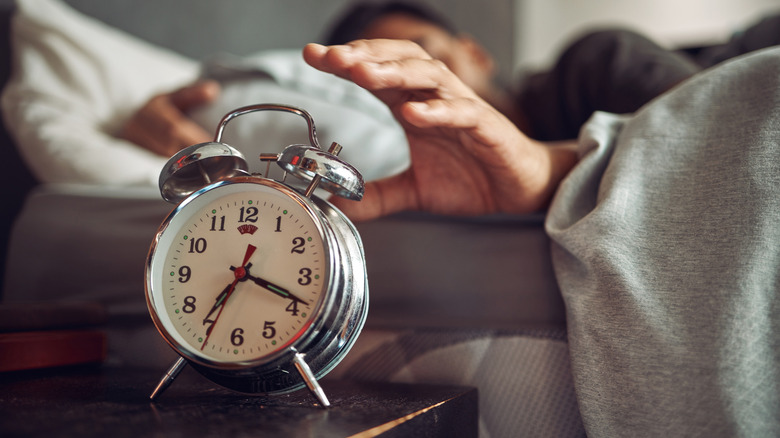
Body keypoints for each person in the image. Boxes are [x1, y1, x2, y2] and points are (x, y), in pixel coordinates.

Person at [301, 36, 780, 436]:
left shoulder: (590, 65)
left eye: (424, 54)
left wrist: (558, 166)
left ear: (476, 54)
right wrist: (549, 174)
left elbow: (709, 141)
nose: (411, 101)